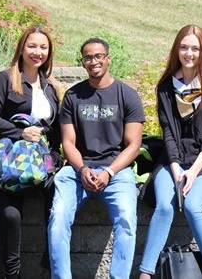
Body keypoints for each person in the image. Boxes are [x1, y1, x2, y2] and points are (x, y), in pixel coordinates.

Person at [47, 37, 145, 279]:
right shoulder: (73, 96)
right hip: (78, 170)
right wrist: (81, 169)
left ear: (108, 59)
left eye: (99, 56)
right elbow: (68, 142)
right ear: (83, 62)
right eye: (88, 57)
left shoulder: (127, 95)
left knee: (126, 218)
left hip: (116, 171)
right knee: (58, 217)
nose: (94, 61)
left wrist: (109, 172)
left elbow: (133, 145)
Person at [139, 25, 202, 279]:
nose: (189, 53)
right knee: (165, 208)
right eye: (184, 47)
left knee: (193, 205)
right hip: (173, 161)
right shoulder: (167, 87)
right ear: (177, 49)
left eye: (195, 48)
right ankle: (145, 274)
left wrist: (194, 171)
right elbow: (167, 131)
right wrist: (177, 168)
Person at [0, 25, 62, 279]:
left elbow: (57, 127)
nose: (37, 52)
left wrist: (57, 153)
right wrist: (19, 132)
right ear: (22, 48)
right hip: (10, 160)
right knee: (10, 215)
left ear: (48, 53)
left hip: (42, 162)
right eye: (32, 46)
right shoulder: (7, 78)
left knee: (58, 204)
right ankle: (12, 273)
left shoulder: (50, 86)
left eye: (43, 47)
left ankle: (50, 264)